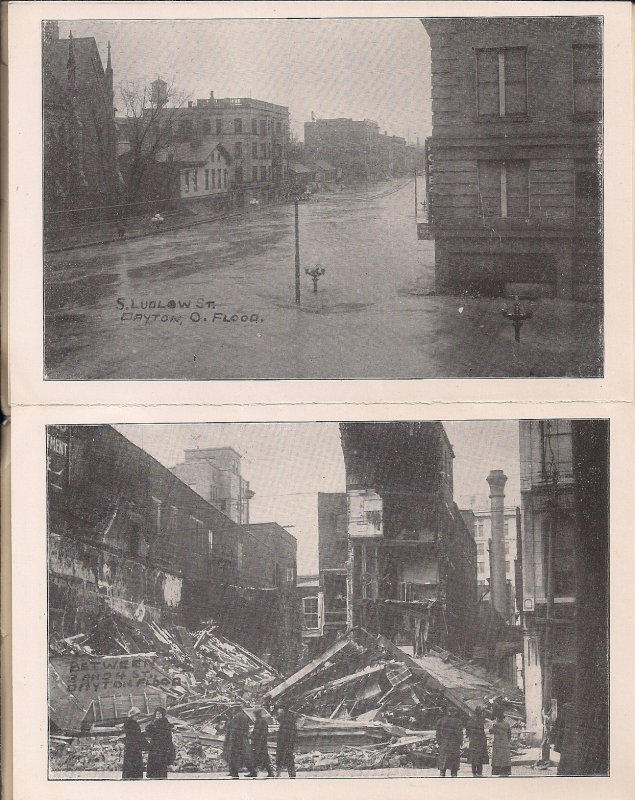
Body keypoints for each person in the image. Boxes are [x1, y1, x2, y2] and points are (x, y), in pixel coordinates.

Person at [223, 705, 256, 778]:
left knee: (234, 756)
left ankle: (235, 773)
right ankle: (251, 771)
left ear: (236, 709)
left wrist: (232, 739)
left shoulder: (237, 717)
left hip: (237, 740)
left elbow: (235, 729)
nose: (232, 710)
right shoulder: (244, 716)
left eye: (233, 709)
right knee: (245, 756)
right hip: (242, 739)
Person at [145, 707, 174, 779]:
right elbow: (148, 730)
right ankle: (152, 776)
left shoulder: (165, 723)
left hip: (162, 745)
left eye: (160, 713)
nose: (158, 715)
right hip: (154, 745)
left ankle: (161, 776)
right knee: (153, 760)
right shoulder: (153, 722)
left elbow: (167, 734)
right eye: (157, 713)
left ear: (162, 714)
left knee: (161, 761)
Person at [436, 706, 463, 777]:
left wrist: (439, 741)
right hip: (454, 743)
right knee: (454, 759)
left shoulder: (441, 720)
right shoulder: (458, 721)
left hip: (444, 742)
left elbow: (438, 733)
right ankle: (453, 773)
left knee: (443, 757)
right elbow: (459, 733)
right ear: (453, 713)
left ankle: (442, 772)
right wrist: (460, 741)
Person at [121, 706, 146, 780]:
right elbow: (134, 734)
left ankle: (132, 777)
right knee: (132, 762)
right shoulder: (129, 723)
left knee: (132, 762)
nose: (137, 717)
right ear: (132, 715)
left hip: (132, 746)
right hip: (132, 746)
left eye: (138, 715)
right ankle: (133, 777)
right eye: (136, 715)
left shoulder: (132, 723)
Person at [465, 706, 489, 777]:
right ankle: (480, 773)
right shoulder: (481, 720)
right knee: (480, 757)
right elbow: (482, 731)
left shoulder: (470, 721)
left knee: (473, 757)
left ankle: (474, 773)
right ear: (480, 712)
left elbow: (467, 733)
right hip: (481, 740)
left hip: (473, 740)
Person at [251, 708, 274, 777]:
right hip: (258, 742)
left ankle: (269, 772)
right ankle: (254, 772)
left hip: (260, 743)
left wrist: (260, 741)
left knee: (262, 758)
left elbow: (264, 733)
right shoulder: (258, 721)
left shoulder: (261, 721)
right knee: (259, 757)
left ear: (258, 714)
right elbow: (255, 732)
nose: (255, 715)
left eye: (256, 714)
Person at [275, 707, 297, 778]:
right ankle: (290, 774)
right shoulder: (289, 722)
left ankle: (279, 775)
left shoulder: (286, 724)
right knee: (287, 760)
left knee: (284, 759)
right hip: (286, 745)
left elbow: (285, 736)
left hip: (285, 745)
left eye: (279, 713)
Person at [490, 708, 512, 776]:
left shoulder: (495, 724)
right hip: (505, 742)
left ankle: (497, 771)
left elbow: (491, 731)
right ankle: (505, 771)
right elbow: (509, 734)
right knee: (505, 757)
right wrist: (507, 740)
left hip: (497, 742)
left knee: (497, 757)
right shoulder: (507, 724)